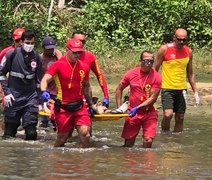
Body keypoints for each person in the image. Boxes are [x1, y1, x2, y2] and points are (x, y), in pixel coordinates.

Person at [40, 38, 93, 148]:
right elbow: (45, 80)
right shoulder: (57, 65)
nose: (77, 55)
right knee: (62, 138)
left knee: (85, 133)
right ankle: (56, 158)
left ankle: (85, 159)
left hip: (79, 105)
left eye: (79, 52)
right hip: (63, 106)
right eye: (74, 52)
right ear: (67, 50)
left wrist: (91, 104)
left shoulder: (84, 66)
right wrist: (44, 91)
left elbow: (86, 86)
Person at [154, 28, 200, 133]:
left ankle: (177, 139)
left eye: (184, 40)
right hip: (167, 87)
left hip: (181, 88)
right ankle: (165, 135)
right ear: (174, 38)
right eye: (179, 39)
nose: (181, 42)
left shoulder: (188, 51)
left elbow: (190, 72)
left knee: (180, 117)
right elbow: (154, 69)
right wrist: (153, 88)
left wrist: (195, 92)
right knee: (168, 114)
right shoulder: (164, 49)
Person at [0, 29, 42, 140]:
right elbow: (1, 73)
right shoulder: (12, 54)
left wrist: (40, 99)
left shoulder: (37, 57)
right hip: (13, 97)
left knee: (31, 132)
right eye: (27, 43)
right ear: (22, 42)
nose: (30, 45)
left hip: (30, 97)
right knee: (9, 132)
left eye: (32, 43)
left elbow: (39, 81)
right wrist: (6, 93)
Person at [115, 50, 162, 148]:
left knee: (148, 141)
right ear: (140, 61)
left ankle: (147, 162)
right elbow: (119, 89)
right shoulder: (131, 73)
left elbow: (153, 98)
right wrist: (119, 108)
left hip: (149, 112)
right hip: (133, 113)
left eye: (151, 61)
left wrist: (138, 107)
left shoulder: (157, 77)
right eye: (146, 61)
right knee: (128, 144)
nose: (148, 64)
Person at [72, 30, 109, 107]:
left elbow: (99, 75)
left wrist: (106, 96)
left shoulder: (90, 57)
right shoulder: (64, 58)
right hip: (70, 98)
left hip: (86, 96)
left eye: (83, 41)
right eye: (78, 41)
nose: (80, 43)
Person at [39, 36, 63, 128]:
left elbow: (63, 67)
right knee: (44, 117)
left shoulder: (57, 57)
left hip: (55, 90)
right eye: (48, 49)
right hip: (44, 90)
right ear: (43, 48)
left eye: (52, 49)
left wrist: (59, 55)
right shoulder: (40, 59)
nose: (50, 51)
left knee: (55, 118)